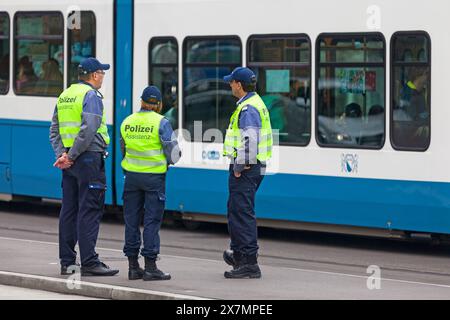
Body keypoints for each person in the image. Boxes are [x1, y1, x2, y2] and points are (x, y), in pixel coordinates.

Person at [49, 57, 118, 276]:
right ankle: (89, 262)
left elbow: (54, 129)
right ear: (95, 75)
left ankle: (67, 262)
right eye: (102, 74)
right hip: (88, 158)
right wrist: (71, 154)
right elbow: (89, 128)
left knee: (69, 210)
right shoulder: (91, 96)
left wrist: (63, 154)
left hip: (71, 162)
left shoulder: (65, 95)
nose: (103, 78)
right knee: (89, 210)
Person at [120, 86, 181, 281]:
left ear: (142, 102)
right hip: (154, 179)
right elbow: (174, 154)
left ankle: (132, 266)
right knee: (151, 221)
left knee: (131, 221)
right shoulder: (161, 122)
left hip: (131, 177)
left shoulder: (127, 122)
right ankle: (150, 267)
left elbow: (124, 150)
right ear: (159, 104)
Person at [222, 67, 273, 279]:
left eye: (232, 82)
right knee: (237, 211)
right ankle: (239, 256)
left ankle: (249, 263)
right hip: (252, 167)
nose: (230, 85)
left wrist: (239, 167)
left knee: (242, 214)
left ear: (239, 85)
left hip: (246, 169)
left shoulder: (248, 109)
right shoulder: (254, 103)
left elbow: (250, 141)